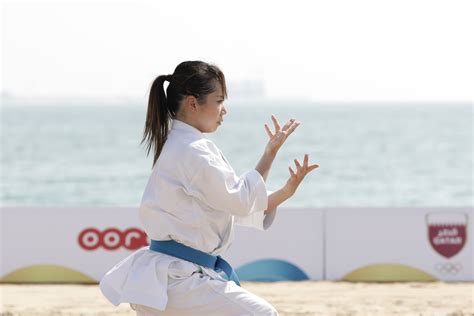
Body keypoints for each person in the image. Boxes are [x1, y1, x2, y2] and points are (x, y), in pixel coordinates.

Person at [99, 60, 319, 315]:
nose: (223, 110)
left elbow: (226, 207)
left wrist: (283, 191)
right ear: (193, 103)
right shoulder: (193, 151)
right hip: (179, 282)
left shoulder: (180, 145)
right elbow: (239, 201)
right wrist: (269, 156)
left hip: (165, 281)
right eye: (218, 101)